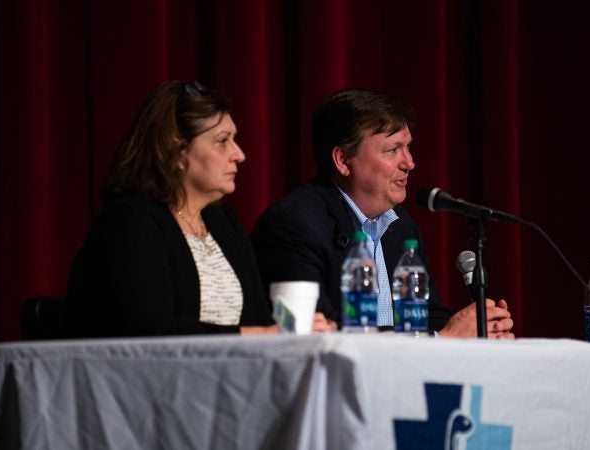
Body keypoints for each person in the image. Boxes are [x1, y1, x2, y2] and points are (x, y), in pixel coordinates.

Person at [251, 88, 514, 338]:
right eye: (392, 150)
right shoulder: (294, 224)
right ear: (342, 160)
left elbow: (428, 317)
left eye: (408, 147)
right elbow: (323, 333)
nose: (409, 163)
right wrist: (445, 337)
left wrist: (479, 331)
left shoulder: (401, 227)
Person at [65, 80, 278, 337]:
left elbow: (259, 320)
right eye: (222, 141)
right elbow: (150, 330)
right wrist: (258, 335)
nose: (239, 154)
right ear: (177, 151)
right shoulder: (130, 223)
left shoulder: (223, 222)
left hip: (227, 374)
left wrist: (292, 327)